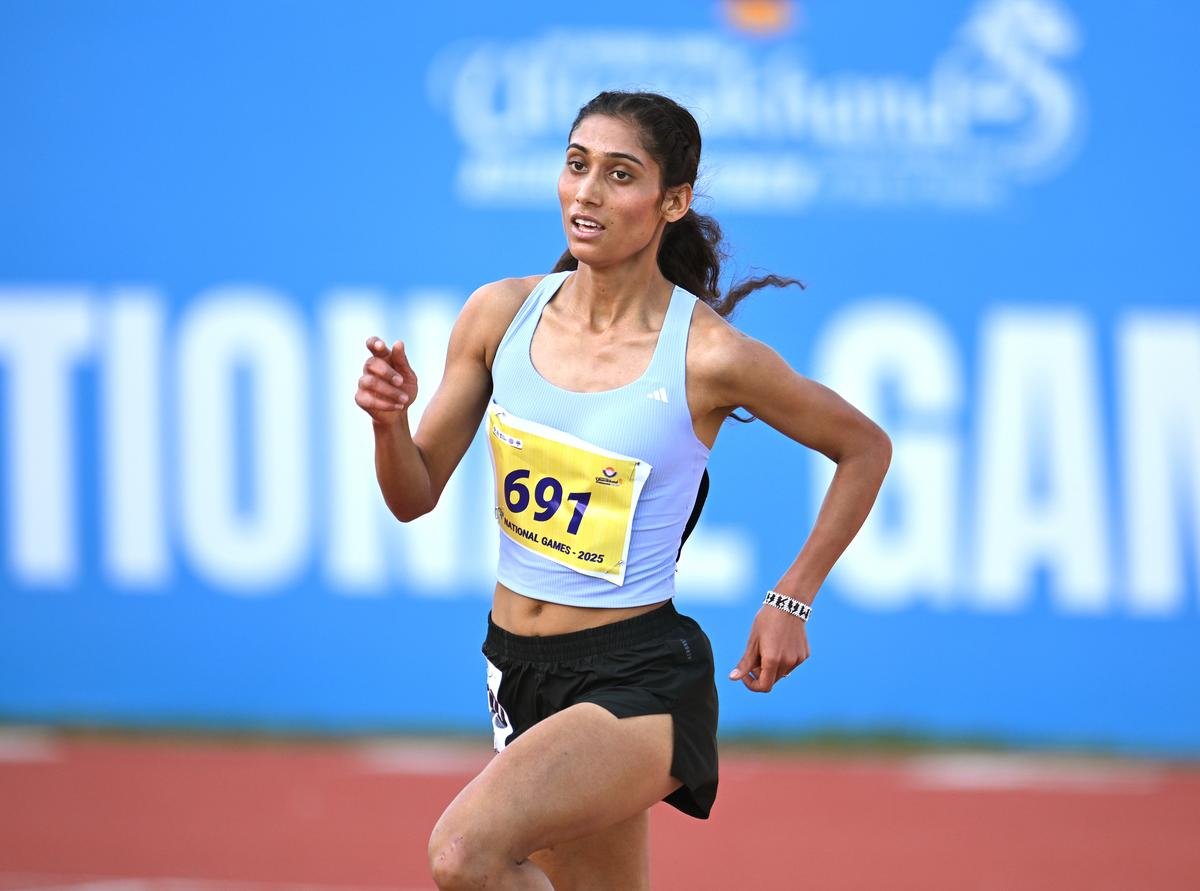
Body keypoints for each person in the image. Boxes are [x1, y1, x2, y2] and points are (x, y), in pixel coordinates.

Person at [354, 90, 891, 891]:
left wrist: (793, 597)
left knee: (463, 853)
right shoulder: (500, 314)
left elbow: (864, 446)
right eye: (576, 166)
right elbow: (414, 493)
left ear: (673, 201)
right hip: (515, 670)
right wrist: (389, 425)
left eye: (619, 174)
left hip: (638, 680)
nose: (588, 192)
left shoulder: (708, 356)